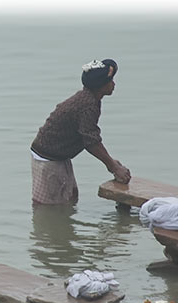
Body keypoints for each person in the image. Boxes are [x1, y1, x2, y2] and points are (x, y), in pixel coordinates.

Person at [30, 58, 131, 205]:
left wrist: (111, 162)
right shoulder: (88, 105)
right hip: (48, 159)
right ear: (100, 86)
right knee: (50, 207)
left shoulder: (90, 99)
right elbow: (91, 142)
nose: (114, 84)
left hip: (57, 155)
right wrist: (113, 166)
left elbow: (90, 137)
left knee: (70, 199)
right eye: (110, 81)